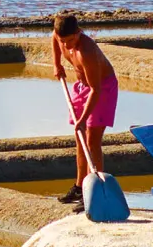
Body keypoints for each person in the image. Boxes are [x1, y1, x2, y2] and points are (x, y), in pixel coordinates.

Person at [50, 11, 118, 206]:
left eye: (70, 40)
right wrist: (57, 64)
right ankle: (80, 187)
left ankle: (95, 192)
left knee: (92, 140)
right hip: (81, 87)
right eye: (64, 41)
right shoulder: (60, 36)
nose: (67, 45)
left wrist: (82, 120)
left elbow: (96, 90)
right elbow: (55, 38)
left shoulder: (86, 51)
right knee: (80, 139)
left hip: (101, 89)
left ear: (79, 32)